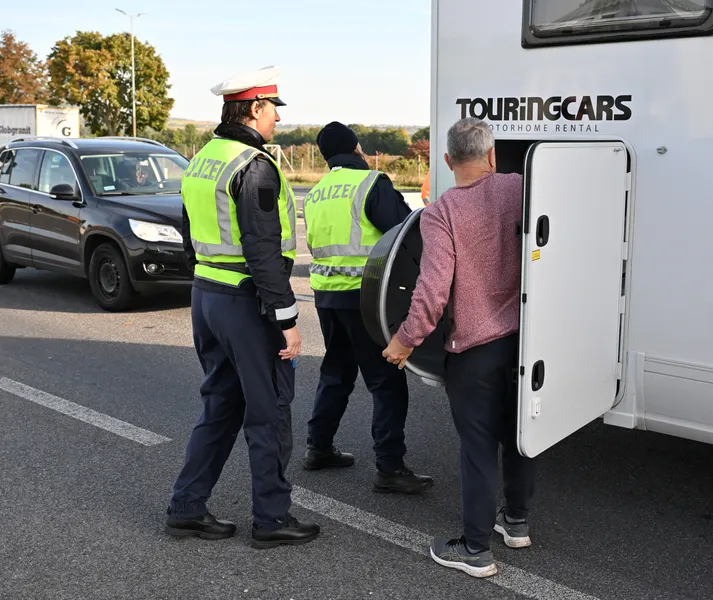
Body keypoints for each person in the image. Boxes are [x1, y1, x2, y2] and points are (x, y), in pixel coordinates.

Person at [165, 65, 320, 549]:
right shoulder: (254, 165)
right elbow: (262, 251)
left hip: (207, 297)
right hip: (245, 303)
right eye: (273, 108)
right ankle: (272, 520)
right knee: (269, 409)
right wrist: (287, 319)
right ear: (254, 108)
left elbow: (189, 232)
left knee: (220, 405)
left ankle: (187, 509)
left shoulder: (203, 158)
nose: (276, 118)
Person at [382, 117, 536, 577]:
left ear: (447, 161)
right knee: (520, 439)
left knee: (478, 447)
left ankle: (475, 549)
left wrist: (404, 341)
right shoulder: (521, 188)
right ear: (492, 155)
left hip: (474, 349)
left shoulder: (442, 212)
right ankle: (517, 522)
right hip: (528, 343)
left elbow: (431, 292)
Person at [302, 121, 434, 495]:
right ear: (356, 147)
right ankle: (390, 468)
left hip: (326, 296)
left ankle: (318, 447)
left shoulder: (316, 192)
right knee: (386, 381)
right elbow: (404, 228)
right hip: (365, 298)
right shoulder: (371, 183)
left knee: (336, 372)